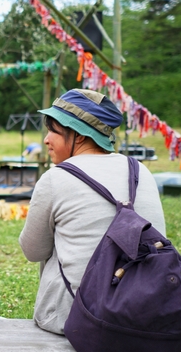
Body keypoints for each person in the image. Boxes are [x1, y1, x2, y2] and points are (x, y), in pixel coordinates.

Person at [18, 89, 167, 335]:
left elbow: (32, 251)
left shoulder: (56, 177)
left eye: (53, 131)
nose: (46, 140)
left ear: (78, 134)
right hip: (145, 310)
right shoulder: (140, 170)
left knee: (51, 243)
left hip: (80, 318)